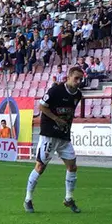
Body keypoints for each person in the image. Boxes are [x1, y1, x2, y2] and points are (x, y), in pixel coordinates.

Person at [24, 67, 84, 214]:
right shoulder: (55, 90)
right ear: (68, 77)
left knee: (72, 166)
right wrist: (56, 119)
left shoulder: (78, 95)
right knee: (40, 167)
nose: (78, 81)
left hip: (64, 136)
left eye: (80, 79)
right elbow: (42, 107)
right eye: (76, 78)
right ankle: (28, 199)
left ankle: (69, 198)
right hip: (49, 134)